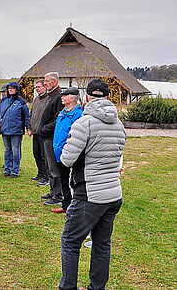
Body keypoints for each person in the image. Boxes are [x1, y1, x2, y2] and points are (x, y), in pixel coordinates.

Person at [59, 79, 126, 290]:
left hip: (89, 194)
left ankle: (67, 287)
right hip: (113, 193)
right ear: (108, 97)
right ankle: (97, 287)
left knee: (70, 242)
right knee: (102, 243)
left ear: (86, 97)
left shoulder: (83, 123)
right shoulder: (119, 124)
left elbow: (66, 159)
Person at [51, 87, 83, 213]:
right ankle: (66, 205)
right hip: (59, 153)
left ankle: (74, 208)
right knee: (63, 180)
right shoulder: (62, 112)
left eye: (65, 95)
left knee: (72, 182)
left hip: (70, 153)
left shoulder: (79, 114)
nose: (62, 97)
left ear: (73, 97)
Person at [37, 72, 64, 205]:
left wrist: (44, 128)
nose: (45, 83)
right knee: (49, 166)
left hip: (51, 137)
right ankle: (53, 191)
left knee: (54, 168)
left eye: (47, 81)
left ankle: (58, 195)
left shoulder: (58, 97)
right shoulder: (50, 96)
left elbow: (57, 119)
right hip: (45, 137)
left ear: (54, 82)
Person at [0, 81, 30, 178]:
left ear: (16, 90)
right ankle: (7, 169)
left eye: (12, 88)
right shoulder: (3, 101)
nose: (10, 90)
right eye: (9, 88)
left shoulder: (21, 102)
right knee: (7, 151)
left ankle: (15, 171)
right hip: (5, 130)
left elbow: (27, 116)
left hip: (16, 131)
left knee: (15, 151)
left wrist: (28, 127)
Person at [27, 79, 49, 186]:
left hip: (44, 132)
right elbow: (32, 115)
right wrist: (29, 128)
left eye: (39, 87)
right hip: (35, 131)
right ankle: (40, 173)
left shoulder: (48, 100)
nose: (37, 89)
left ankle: (46, 176)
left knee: (44, 155)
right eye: (36, 87)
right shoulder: (36, 100)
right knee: (36, 154)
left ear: (45, 87)